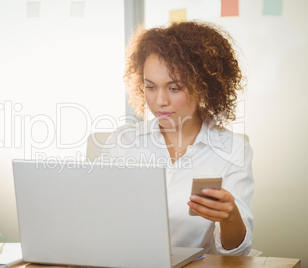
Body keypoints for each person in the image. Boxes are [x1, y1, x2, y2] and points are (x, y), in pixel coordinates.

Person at [100, 21, 254, 255]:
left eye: (174, 88)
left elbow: (236, 253)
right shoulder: (125, 141)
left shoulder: (233, 150)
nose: (160, 101)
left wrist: (230, 216)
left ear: (204, 87)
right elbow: (95, 216)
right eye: (150, 87)